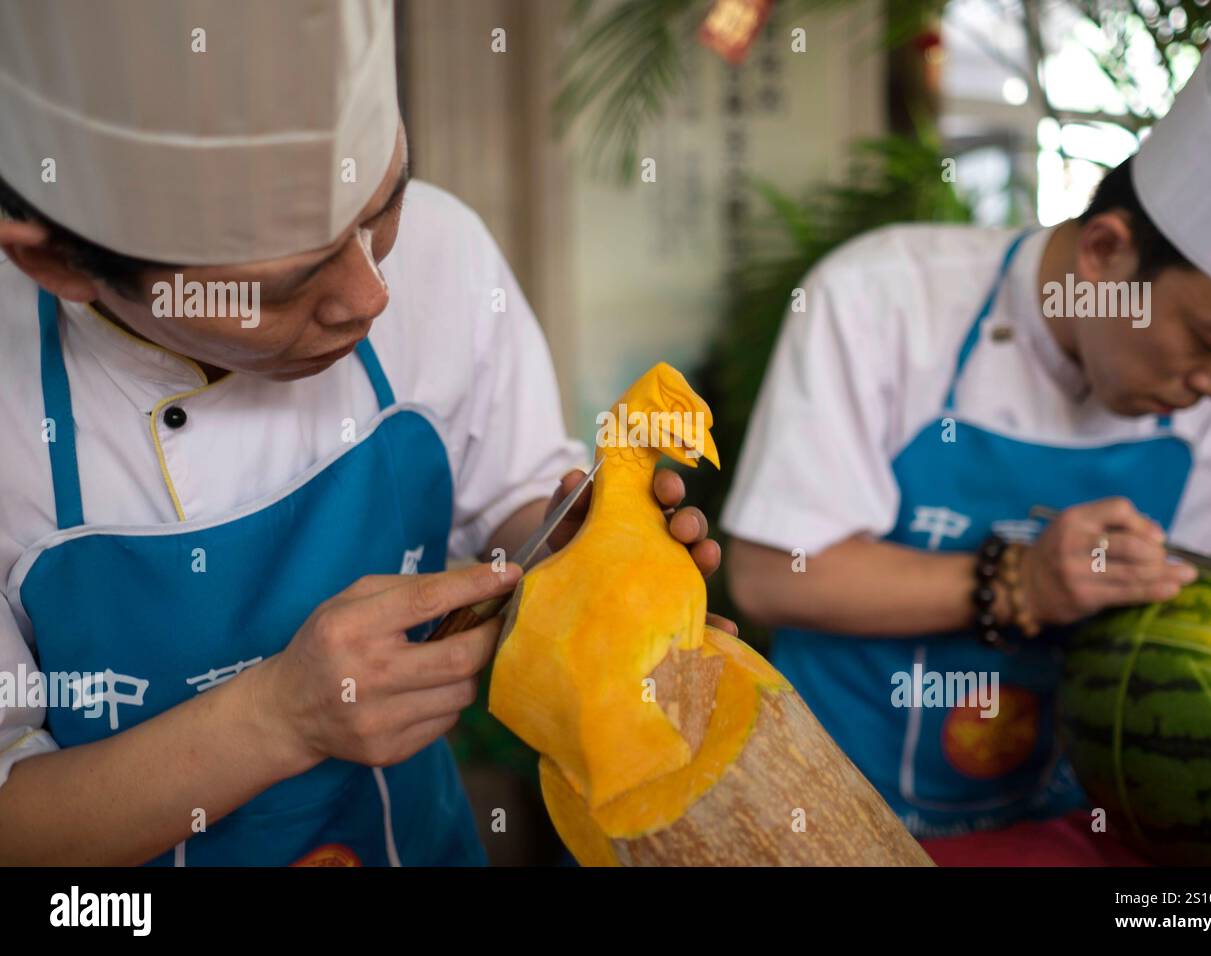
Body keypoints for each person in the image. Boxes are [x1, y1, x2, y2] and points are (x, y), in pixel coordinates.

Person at [0, 0, 724, 866]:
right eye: (285, 287)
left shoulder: (444, 255)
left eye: (385, 209)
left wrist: (585, 547)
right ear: (53, 263)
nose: (371, 294)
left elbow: (515, 497)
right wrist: (279, 717)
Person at [720, 0, 1211, 847]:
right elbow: (773, 574)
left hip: (1076, 824)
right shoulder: (886, 298)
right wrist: (1018, 583)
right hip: (837, 814)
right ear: (1104, 253)